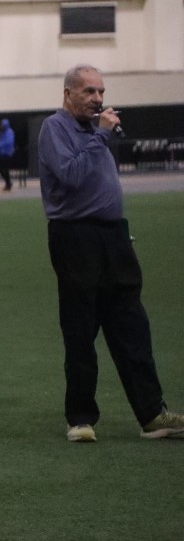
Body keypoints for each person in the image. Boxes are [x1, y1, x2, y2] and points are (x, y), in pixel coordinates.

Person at [38, 64, 183, 443]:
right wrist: (101, 135)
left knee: (132, 326)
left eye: (101, 91)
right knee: (81, 328)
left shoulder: (94, 131)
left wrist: (119, 234)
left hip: (114, 238)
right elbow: (71, 176)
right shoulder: (56, 128)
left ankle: (152, 415)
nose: (98, 99)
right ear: (68, 94)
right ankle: (80, 419)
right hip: (76, 238)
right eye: (89, 92)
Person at [0, 118, 15, 191]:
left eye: (2, 125)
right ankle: (8, 182)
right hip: (1, 153)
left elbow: (9, 142)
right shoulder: (2, 132)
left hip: (7, 153)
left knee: (5, 169)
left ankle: (8, 184)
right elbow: (0, 140)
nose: (1, 126)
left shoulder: (9, 132)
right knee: (0, 169)